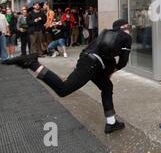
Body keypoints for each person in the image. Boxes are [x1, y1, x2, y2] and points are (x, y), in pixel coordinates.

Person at [3, 19, 132, 135]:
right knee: (63, 89)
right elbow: (123, 62)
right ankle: (33, 63)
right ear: (123, 27)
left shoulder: (105, 33)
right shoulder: (126, 37)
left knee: (107, 86)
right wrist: (112, 71)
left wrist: (101, 71)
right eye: (128, 27)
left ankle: (111, 122)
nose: (130, 29)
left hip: (89, 61)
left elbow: (90, 51)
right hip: (92, 65)